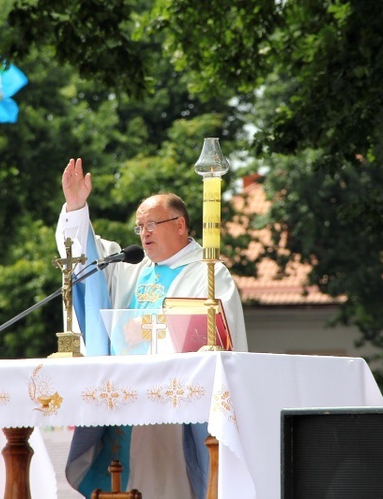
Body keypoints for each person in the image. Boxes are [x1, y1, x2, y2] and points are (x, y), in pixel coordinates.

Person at [56, 157, 248, 499]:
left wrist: (147, 329)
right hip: (126, 403)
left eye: (151, 224)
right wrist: (76, 206)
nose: (143, 233)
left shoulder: (207, 273)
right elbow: (83, 258)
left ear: (180, 225)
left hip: (174, 416)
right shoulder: (128, 269)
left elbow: (214, 336)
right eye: (139, 226)